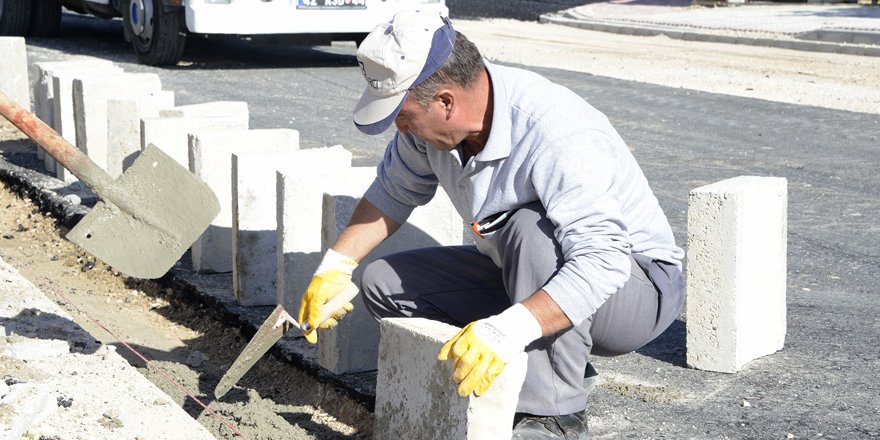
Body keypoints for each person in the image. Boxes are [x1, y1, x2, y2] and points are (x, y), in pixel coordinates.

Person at [276, 10, 685, 439]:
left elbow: (602, 261)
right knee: (383, 282)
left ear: (446, 102)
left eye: (403, 114)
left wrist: (510, 328)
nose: (399, 126)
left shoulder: (556, 131)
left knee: (530, 228)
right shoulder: (427, 130)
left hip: (634, 291)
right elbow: (392, 193)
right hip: (529, 272)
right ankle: (548, 355)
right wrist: (335, 268)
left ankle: (554, 414)